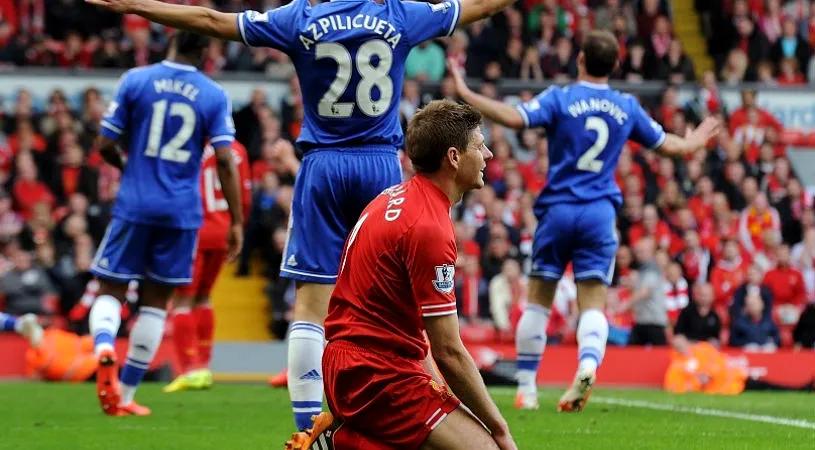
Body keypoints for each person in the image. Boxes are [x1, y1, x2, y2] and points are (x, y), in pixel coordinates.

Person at [86, 0, 519, 431]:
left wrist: (135, 5)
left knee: (310, 307)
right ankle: (411, 403)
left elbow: (209, 20)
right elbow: (479, 7)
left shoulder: (300, 18)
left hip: (323, 166)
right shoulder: (398, 15)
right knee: (401, 302)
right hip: (380, 166)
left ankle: (309, 427)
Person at [449, 29, 721, 411]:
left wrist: (468, 93)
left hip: (558, 209)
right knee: (593, 301)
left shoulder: (561, 97)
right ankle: (588, 364)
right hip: (599, 213)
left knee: (538, 301)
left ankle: (526, 388)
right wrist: (695, 141)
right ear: (615, 65)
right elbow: (670, 146)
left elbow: (514, 118)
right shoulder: (626, 105)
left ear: (580, 60)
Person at [285, 100, 516, 450]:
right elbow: (449, 350)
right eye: (479, 145)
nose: (487, 154)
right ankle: (340, 442)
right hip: (376, 374)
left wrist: (440, 392)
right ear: (453, 157)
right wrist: (499, 429)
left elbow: (413, 328)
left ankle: (345, 440)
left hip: (354, 362)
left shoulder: (391, 198)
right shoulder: (430, 227)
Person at [86, 31, 243, 416]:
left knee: (111, 289)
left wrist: (129, 169)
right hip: (181, 213)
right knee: (157, 304)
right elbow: (224, 159)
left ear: (169, 44)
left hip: (135, 204)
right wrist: (237, 220)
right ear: (205, 51)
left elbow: (105, 144)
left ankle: (105, 346)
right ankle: (124, 397)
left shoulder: (136, 80)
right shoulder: (213, 93)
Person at [164, 140, 252, 393]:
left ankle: (190, 368)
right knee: (203, 298)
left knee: (182, 300)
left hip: (194, 230)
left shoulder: (187, 145)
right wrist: (237, 226)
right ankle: (203, 366)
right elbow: (245, 196)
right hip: (224, 231)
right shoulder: (237, 149)